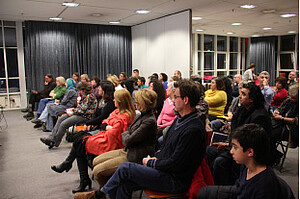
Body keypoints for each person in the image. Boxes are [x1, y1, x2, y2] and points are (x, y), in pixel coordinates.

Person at [95, 79, 206, 199]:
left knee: (125, 168)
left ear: (185, 100)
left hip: (174, 180)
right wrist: (155, 158)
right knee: (124, 184)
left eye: (175, 97)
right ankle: (103, 194)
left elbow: (176, 164)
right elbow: (166, 150)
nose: (172, 101)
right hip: (165, 171)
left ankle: (100, 194)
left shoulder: (193, 129)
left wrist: (152, 163)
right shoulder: (179, 120)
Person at [50, 89, 135, 193]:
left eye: (115, 99)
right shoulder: (117, 111)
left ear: (121, 101)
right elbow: (105, 121)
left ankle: (78, 175)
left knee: (80, 143)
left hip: (112, 143)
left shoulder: (125, 116)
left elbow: (113, 133)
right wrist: (107, 126)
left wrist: (107, 126)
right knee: (79, 139)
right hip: (106, 137)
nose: (113, 100)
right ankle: (78, 174)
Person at [207, 82, 272, 185]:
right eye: (241, 93)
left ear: (252, 99)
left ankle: (220, 188)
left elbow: (251, 143)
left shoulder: (260, 116)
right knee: (208, 150)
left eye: (243, 94)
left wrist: (229, 145)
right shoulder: (242, 110)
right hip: (237, 147)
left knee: (219, 161)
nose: (239, 96)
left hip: (249, 154)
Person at [91, 88, 157, 188]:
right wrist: (127, 134)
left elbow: (127, 139)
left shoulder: (149, 121)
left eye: (137, 101)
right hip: (128, 150)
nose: (135, 103)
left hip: (135, 156)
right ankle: (110, 189)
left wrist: (126, 134)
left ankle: (106, 192)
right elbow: (127, 132)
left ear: (143, 103)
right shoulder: (141, 116)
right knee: (95, 161)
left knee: (97, 171)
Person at [199, 124, 283, 199]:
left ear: (250, 152)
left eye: (235, 147)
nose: (231, 151)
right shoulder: (246, 166)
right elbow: (239, 189)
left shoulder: (264, 186)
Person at [40, 82, 97, 148]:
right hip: (79, 114)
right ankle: (51, 138)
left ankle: (54, 142)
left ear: (83, 90)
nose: (79, 92)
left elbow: (84, 109)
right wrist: (74, 109)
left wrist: (73, 112)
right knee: (60, 119)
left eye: (79, 90)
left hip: (85, 116)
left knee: (64, 124)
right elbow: (81, 107)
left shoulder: (89, 97)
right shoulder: (85, 96)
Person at [272, 84, 299, 148]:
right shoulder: (288, 100)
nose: (290, 98)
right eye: (290, 96)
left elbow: (296, 121)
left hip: (292, 129)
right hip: (281, 124)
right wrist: (277, 111)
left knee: (270, 134)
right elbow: (280, 108)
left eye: (293, 98)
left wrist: (282, 118)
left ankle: (274, 154)